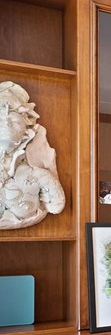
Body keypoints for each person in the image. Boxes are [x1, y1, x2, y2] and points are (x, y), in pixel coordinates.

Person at [0, 81, 65, 229]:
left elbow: (56, 206)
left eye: (14, 120)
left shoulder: (34, 172)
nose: (6, 124)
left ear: (26, 131)